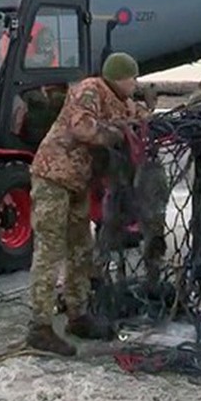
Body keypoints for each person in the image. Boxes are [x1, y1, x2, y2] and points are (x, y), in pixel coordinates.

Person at [26, 52, 151, 356]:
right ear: (120, 77)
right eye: (132, 78)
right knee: (50, 248)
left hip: (78, 183)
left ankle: (77, 315)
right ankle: (40, 327)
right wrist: (116, 134)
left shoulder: (119, 101)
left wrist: (141, 120)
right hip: (54, 177)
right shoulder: (90, 89)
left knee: (81, 249)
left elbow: (136, 116)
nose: (135, 84)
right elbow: (81, 127)